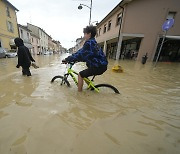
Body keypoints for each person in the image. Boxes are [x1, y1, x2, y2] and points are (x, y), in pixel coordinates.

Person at [62, 25, 108, 92]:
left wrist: (67, 59)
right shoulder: (93, 42)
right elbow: (84, 54)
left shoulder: (89, 43)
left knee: (80, 75)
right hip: (101, 65)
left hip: (98, 66)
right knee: (85, 75)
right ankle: (91, 88)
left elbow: (80, 55)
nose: (84, 36)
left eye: (85, 34)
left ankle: (79, 94)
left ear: (89, 34)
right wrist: (74, 59)